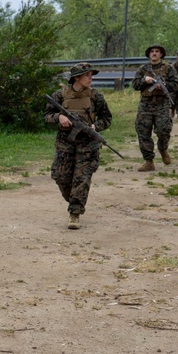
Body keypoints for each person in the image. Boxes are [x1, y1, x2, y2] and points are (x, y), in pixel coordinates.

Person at [44, 62, 113, 229]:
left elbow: (107, 118)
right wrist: (59, 117)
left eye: (91, 75)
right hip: (65, 143)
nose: (90, 78)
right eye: (87, 75)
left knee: (81, 179)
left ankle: (74, 213)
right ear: (76, 77)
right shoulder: (60, 95)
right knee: (61, 177)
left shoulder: (95, 96)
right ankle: (75, 200)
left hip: (88, 144)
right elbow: (47, 115)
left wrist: (95, 127)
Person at [132, 44, 178, 172]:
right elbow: (135, 85)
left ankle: (163, 149)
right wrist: (145, 81)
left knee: (164, 130)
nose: (154, 53)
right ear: (149, 54)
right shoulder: (143, 69)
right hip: (145, 104)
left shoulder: (168, 68)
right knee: (143, 131)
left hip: (162, 104)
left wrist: (164, 85)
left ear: (161, 54)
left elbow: (175, 85)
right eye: (152, 51)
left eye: (157, 51)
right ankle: (149, 161)